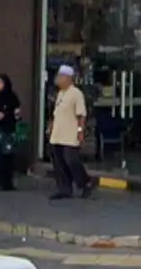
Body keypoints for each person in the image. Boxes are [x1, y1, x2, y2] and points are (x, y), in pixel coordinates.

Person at [48, 65, 92, 200]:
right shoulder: (60, 94)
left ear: (67, 78)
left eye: (60, 76)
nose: (57, 79)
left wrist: (80, 131)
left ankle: (85, 182)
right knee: (59, 163)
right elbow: (56, 114)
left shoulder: (76, 94)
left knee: (71, 160)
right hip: (57, 134)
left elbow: (81, 115)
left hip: (70, 134)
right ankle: (65, 189)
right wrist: (51, 128)